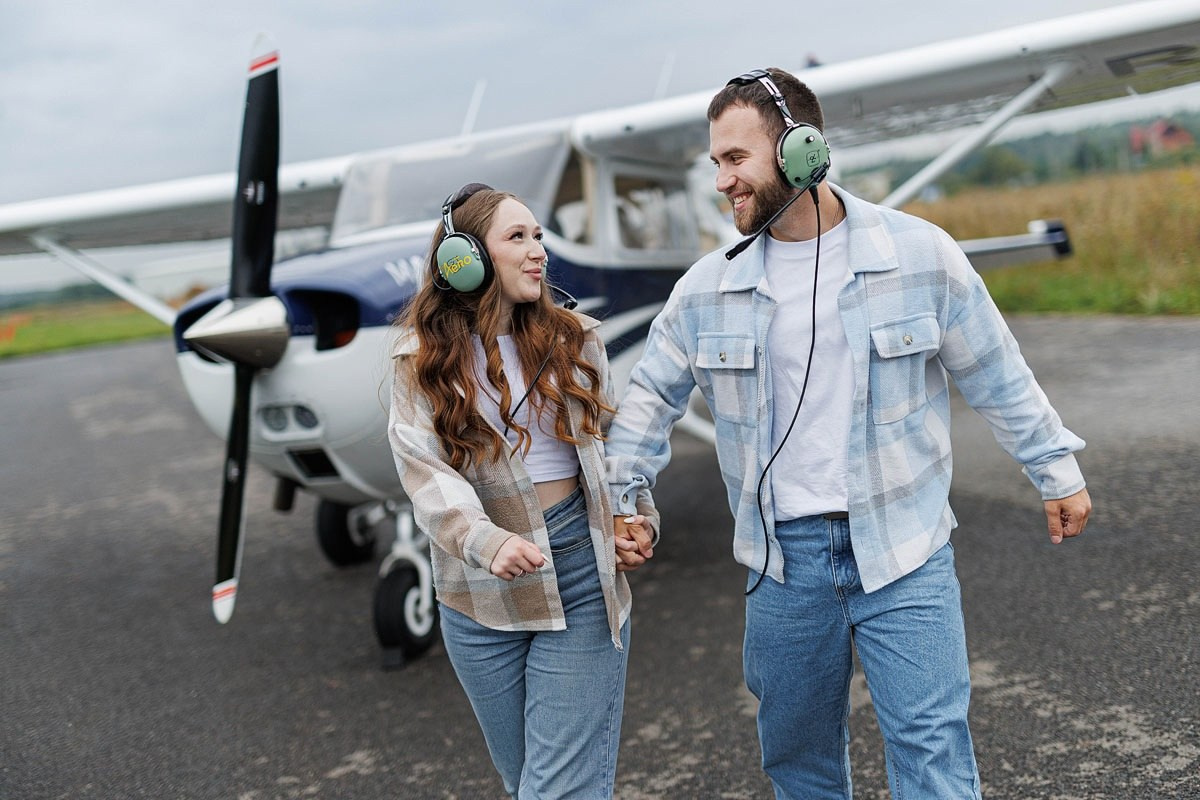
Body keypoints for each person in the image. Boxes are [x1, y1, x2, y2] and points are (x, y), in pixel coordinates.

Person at [607, 68, 1092, 799]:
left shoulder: (920, 255)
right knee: (798, 763)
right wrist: (625, 496)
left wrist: (1056, 468)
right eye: (714, 163)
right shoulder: (705, 290)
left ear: (800, 149)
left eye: (735, 159)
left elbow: (997, 371)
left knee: (933, 753)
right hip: (781, 564)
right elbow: (646, 399)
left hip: (905, 549)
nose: (721, 181)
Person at [388, 183, 656, 798]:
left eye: (538, 236)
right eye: (517, 237)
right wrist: (481, 539)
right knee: (526, 783)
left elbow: (614, 446)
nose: (539, 251)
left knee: (559, 789)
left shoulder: (576, 339)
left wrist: (634, 516)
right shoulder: (418, 361)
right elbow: (423, 468)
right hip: (477, 594)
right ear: (465, 260)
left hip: (581, 571)